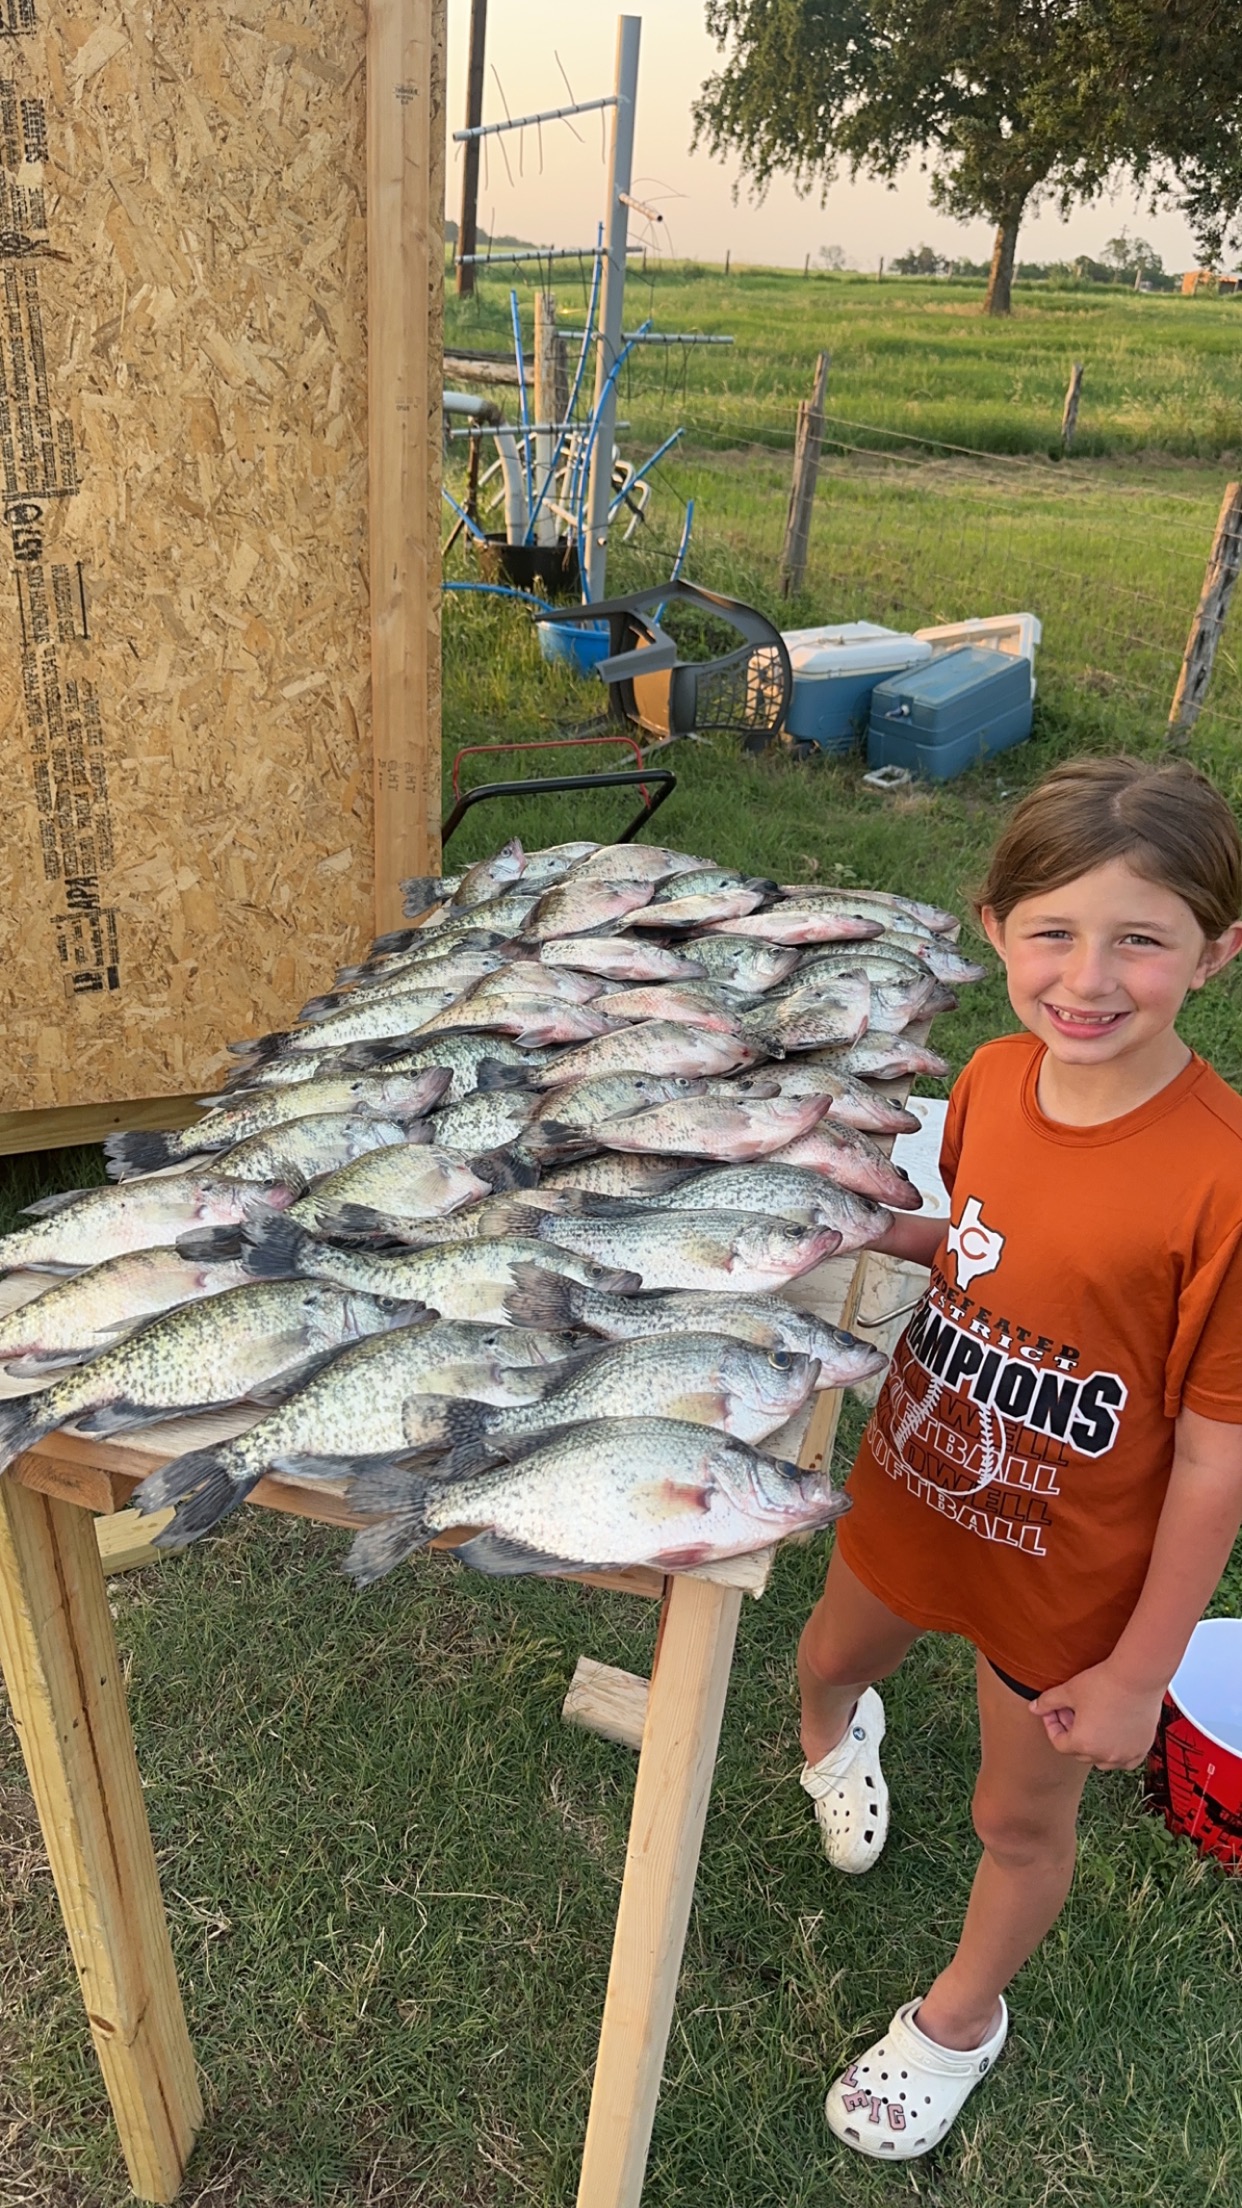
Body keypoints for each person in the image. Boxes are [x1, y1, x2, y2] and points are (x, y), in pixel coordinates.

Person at [799, 754, 1242, 2160]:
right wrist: (892, 1237)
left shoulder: (1223, 1177)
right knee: (824, 1660)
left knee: (1014, 1816)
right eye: (1051, 930)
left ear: (1217, 952)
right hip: (917, 1485)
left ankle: (958, 2019)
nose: (1087, 977)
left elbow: (1216, 1461)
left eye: (1140, 939)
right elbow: (992, 1244)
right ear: (992, 926)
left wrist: (1137, 1673)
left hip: (1067, 1576)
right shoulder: (991, 1076)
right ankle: (830, 1750)